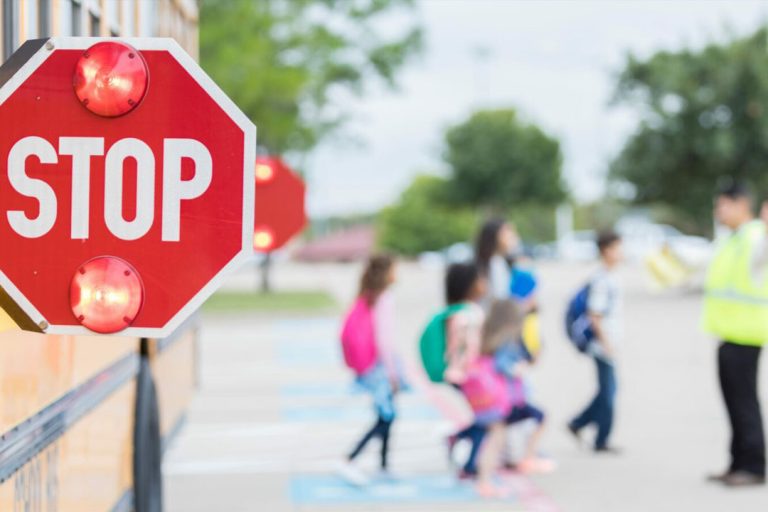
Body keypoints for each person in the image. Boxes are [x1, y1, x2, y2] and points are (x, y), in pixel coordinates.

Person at [704, 182, 768, 487]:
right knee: (734, 404)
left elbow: (762, 255)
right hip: (729, 334)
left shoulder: (755, 237)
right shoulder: (732, 239)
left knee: (744, 404)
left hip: (746, 335)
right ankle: (737, 462)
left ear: (741, 204)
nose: (719, 211)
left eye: (722, 205)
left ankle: (753, 466)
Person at [337, 254, 404, 486]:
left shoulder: (367, 298)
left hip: (369, 366)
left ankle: (383, 465)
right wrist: (393, 373)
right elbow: (384, 340)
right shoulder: (385, 298)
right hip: (380, 367)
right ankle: (350, 458)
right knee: (386, 416)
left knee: (386, 414)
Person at [567, 230, 623, 454]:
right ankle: (600, 437)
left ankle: (580, 423)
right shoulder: (602, 280)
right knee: (608, 392)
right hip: (602, 345)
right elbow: (595, 315)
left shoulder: (608, 277)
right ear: (606, 250)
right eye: (618, 248)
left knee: (607, 390)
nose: (621, 253)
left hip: (605, 344)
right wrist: (607, 343)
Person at [475, 218, 520, 308]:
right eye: (507, 232)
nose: (513, 236)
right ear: (495, 237)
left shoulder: (499, 262)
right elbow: (500, 299)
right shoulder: (495, 263)